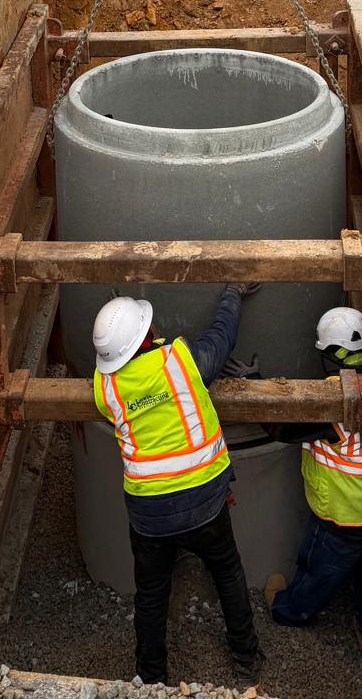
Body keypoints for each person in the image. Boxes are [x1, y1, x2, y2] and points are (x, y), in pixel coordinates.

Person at [92, 287, 263, 686]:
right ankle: (246, 658)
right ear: (147, 336)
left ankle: (151, 679)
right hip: (204, 501)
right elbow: (222, 336)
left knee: (151, 595)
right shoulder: (181, 361)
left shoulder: (105, 390)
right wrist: (232, 295)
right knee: (227, 573)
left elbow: (124, 373)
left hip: (149, 514)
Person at [262, 306, 362, 660]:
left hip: (343, 515)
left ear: (328, 355)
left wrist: (256, 385)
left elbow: (280, 428)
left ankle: (289, 611)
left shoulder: (334, 402)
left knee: (318, 571)